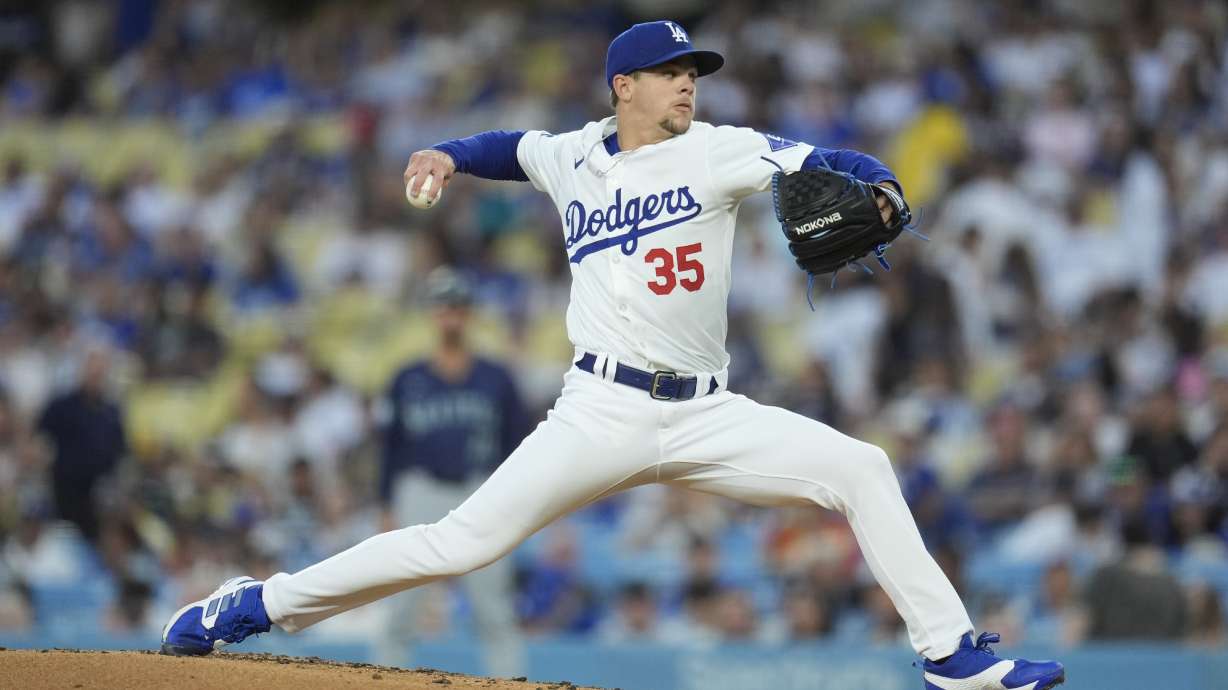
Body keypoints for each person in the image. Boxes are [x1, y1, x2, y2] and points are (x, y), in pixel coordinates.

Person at [162, 20, 1065, 689]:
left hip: (709, 411)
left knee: (862, 467)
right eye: (671, 72)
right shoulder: (573, 157)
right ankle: (251, 605)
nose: (688, 85)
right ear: (622, 85)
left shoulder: (721, 151)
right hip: (599, 411)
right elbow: (504, 149)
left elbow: (825, 157)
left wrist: (878, 181)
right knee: (455, 545)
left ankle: (949, 655)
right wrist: (442, 151)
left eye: (694, 72)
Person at [374, 268, 526, 676]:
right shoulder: (407, 379)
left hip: (481, 491)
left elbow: (520, 448)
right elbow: (390, 449)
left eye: (457, 307)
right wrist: (386, 503)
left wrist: (516, 502)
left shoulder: (497, 377)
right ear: (431, 314)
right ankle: (384, 681)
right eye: (443, 307)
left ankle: (507, 683)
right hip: (420, 489)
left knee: (493, 606)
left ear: (469, 314)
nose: (451, 316)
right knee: (403, 603)